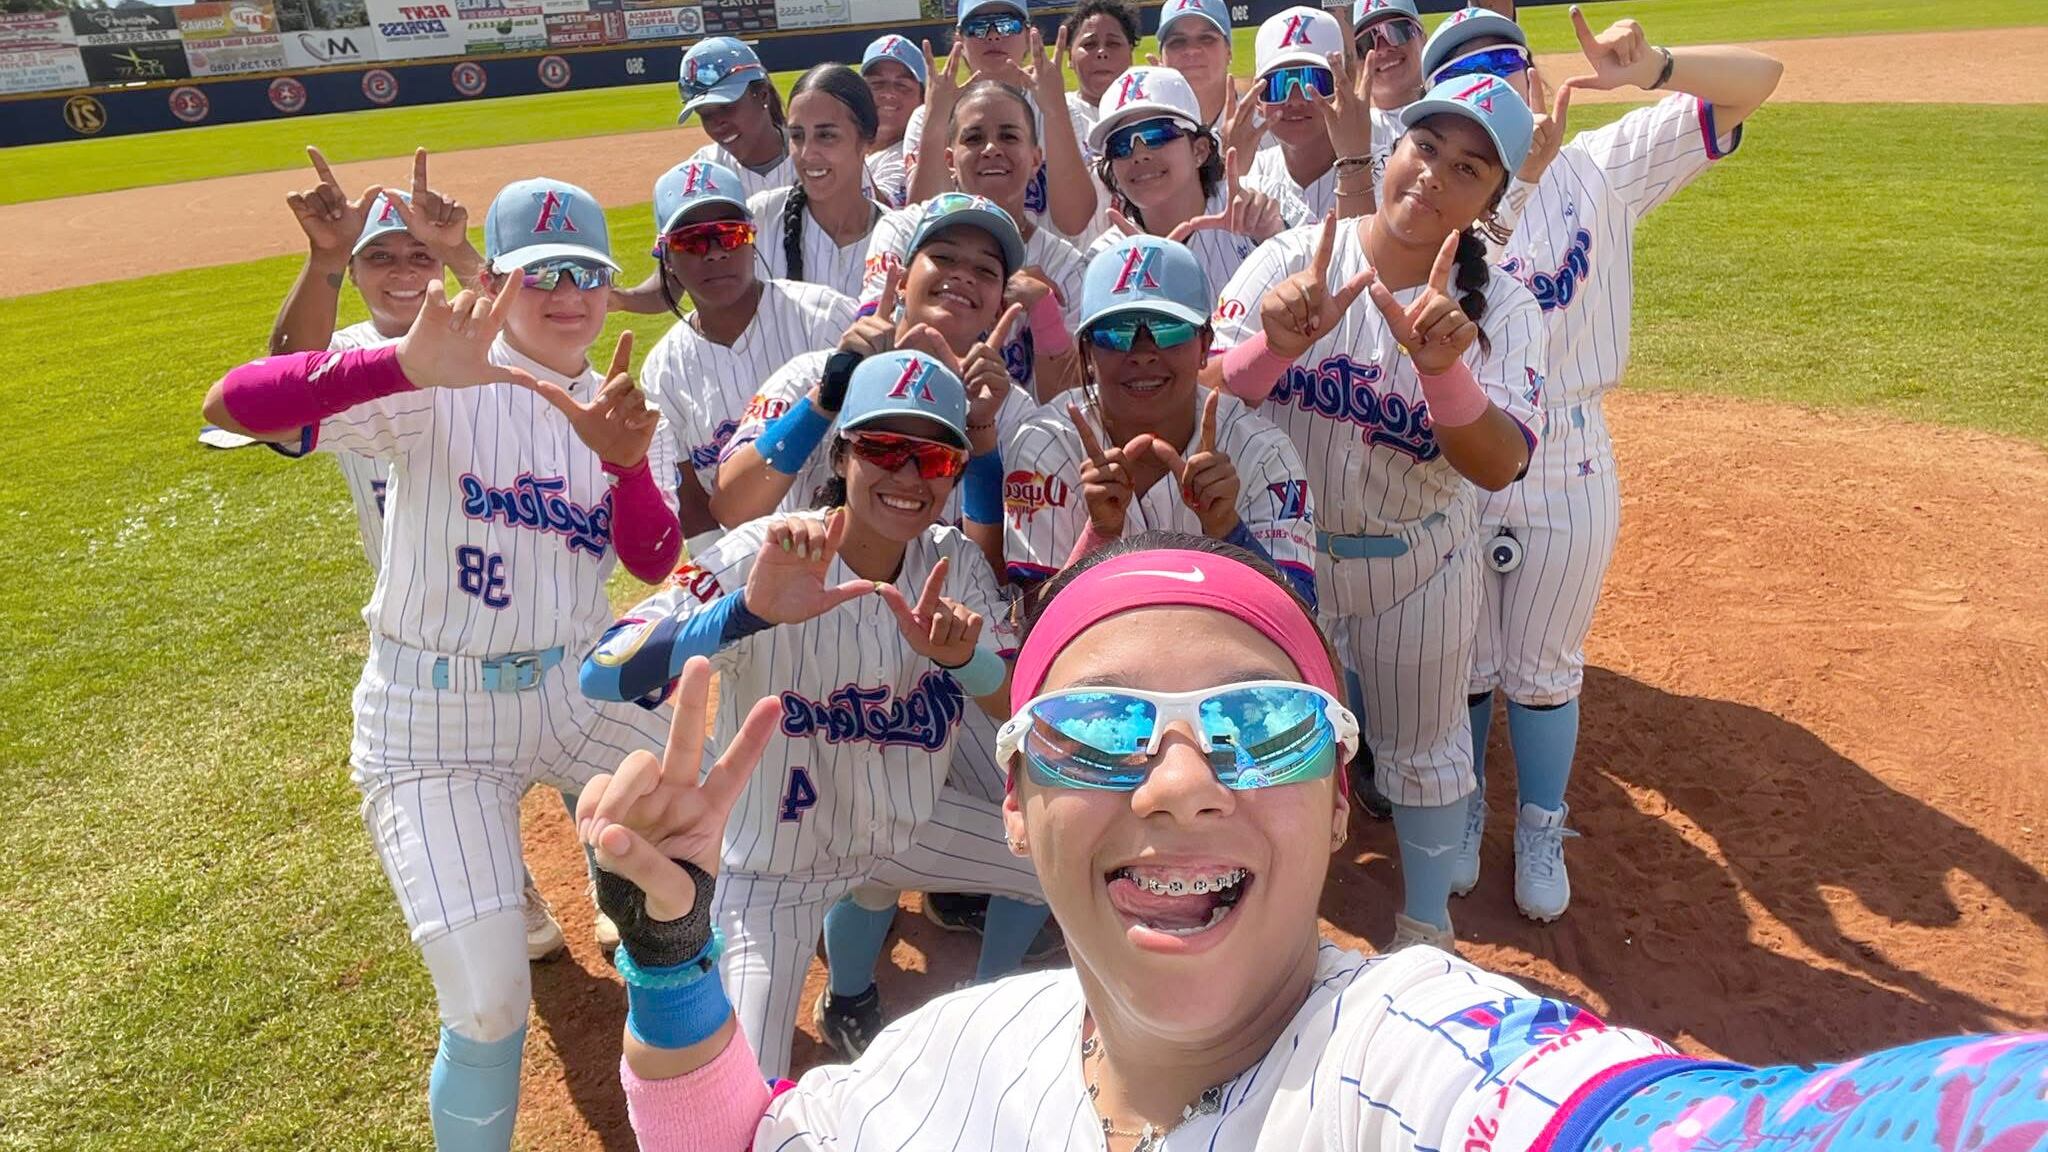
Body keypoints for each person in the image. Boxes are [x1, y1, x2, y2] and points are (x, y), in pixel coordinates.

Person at [574, 531, 2048, 1152]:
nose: (1177, 782)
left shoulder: (1413, 1058)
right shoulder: (949, 1054)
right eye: (1096, 730)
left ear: (1341, 800)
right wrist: (671, 960)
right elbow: (745, 1139)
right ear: (1013, 805)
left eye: (1262, 727)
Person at [200, 177, 684, 1151]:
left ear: (608, 285)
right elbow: (233, 403)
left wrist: (628, 464)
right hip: (433, 716)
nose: (566, 294)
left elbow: (652, 557)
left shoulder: (626, 402)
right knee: (490, 1004)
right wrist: (400, 365)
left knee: (720, 865)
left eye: (585, 273)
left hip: (577, 688)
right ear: (493, 280)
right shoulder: (435, 378)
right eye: (540, 273)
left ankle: (688, 1045)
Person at [578, 349, 1046, 1078]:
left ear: (955, 472)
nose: (908, 475)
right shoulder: (766, 552)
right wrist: (745, 613)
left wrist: (965, 661)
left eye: (933, 458)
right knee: (738, 1085)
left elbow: (1018, 701)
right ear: (842, 452)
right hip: (772, 874)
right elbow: (603, 670)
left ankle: (979, 1028)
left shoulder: (952, 560)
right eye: (884, 447)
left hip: (907, 832)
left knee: (1072, 868)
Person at [1429, 6, 1782, 922]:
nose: (1497, 87)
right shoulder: (1438, 194)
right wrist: (1513, 183)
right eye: (1469, 77)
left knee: (1544, 663)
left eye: (1508, 65)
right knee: (1467, 656)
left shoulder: (1603, 166)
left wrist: (1655, 65)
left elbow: (1758, 83)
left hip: (1570, 447)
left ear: (1536, 75)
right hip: (1465, 441)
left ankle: (1541, 822)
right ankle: (1467, 806)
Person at [1206, 75, 1545, 952]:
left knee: (1426, 751)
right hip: (1280, 560)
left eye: (1468, 168)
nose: (1434, 174)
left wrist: (1443, 373)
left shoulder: (1504, 308)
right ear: (1392, 151)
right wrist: (1272, 348)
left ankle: (1426, 932)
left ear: (1492, 202)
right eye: (1426, 148)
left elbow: (1500, 463)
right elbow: (1206, 397)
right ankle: (1260, 925)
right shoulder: (1291, 260)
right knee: (1266, 744)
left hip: (1417, 562)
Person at [267, 149, 579, 959]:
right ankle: (513, 885)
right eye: (380, 257)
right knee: (463, 767)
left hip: (543, 580)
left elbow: (535, 315)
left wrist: (462, 251)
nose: (404, 273)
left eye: (418, 256)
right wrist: (323, 257)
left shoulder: (481, 328)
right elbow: (280, 387)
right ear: (356, 271)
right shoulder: (344, 349)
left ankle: (611, 874)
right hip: (433, 604)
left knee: (585, 747)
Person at [1004, 235, 1317, 610]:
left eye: (1169, 329)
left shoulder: (1262, 451)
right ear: (1087, 352)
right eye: (1117, 333)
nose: (1143, 354)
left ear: (1205, 345)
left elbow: (1301, 614)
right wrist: (1098, 535)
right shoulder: (1045, 445)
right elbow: (1030, 624)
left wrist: (1228, 530)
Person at [713, 195, 1036, 529]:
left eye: (985, 270)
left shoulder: (1010, 410)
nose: (963, 276)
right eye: (943, 257)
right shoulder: (812, 374)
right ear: (902, 283)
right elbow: (732, 508)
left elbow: (992, 559)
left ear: (999, 308)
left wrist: (980, 430)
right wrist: (830, 394)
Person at [637, 158, 856, 560]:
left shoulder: (826, 317)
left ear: (752, 239)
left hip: (847, 548)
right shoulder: (663, 369)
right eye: (692, 241)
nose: (715, 253)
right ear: (665, 257)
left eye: (730, 234)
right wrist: (720, 577)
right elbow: (691, 500)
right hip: (744, 567)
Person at [860, 79, 1089, 403]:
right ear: (950, 160)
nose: (992, 148)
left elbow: (1072, 402)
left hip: (1020, 429)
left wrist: (1044, 310)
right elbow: (869, 337)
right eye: (974, 138)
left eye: (1009, 136)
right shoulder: (903, 229)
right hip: (906, 406)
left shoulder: (1066, 265)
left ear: (1036, 158)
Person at [1089, 66, 1306, 301]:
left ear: (1199, 150)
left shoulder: (1266, 199)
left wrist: (1276, 238)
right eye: (1120, 144)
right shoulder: (1104, 258)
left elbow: (1325, 287)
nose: (1139, 154)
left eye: (1157, 135)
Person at [613, 37, 794, 315]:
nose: (718, 123)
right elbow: (670, 287)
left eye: (727, 107)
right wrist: (621, 299)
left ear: (762, 94)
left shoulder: (817, 156)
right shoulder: (699, 176)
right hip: (744, 331)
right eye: (705, 114)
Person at [902, 0, 1097, 239]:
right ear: (959, 40)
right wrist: (936, 121)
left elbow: (1074, 222)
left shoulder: (1062, 109)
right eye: (978, 27)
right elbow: (921, 226)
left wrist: (1055, 110)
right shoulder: (927, 116)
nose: (993, 35)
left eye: (1007, 25)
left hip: (1047, 260)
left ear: (1028, 35)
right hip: (967, 260)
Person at [747, 65, 885, 301]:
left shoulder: (897, 234)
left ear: (867, 140)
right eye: (797, 136)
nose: (807, 154)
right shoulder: (759, 218)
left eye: (826, 135)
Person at [1240, 6, 1377, 221]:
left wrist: (1354, 165)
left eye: (1314, 80)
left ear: (1342, 85)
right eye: (1279, 84)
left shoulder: (1388, 169)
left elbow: (1359, 242)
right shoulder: (1247, 174)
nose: (1295, 100)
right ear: (1258, 98)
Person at [1059, 0, 1137, 155]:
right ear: (1070, 57)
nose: (1102, 52)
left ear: (1130, 54)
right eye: (1089, 44)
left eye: (1113, 43)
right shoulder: (1052, 113)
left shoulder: (1152, 110)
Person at [860, 35, 927, 207]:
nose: (888, 93)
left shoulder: (911, 156)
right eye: (877, 83)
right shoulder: (854, 145)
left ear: (923, 99)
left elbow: (880, 209)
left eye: (902, 85)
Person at [1154, 0, 1234, 134]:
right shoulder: (1142, 135)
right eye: (1177, 41)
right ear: (1161, 59)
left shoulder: (1267, 125)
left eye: (1207, 38)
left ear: (1229, 52)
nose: (1191, 50)